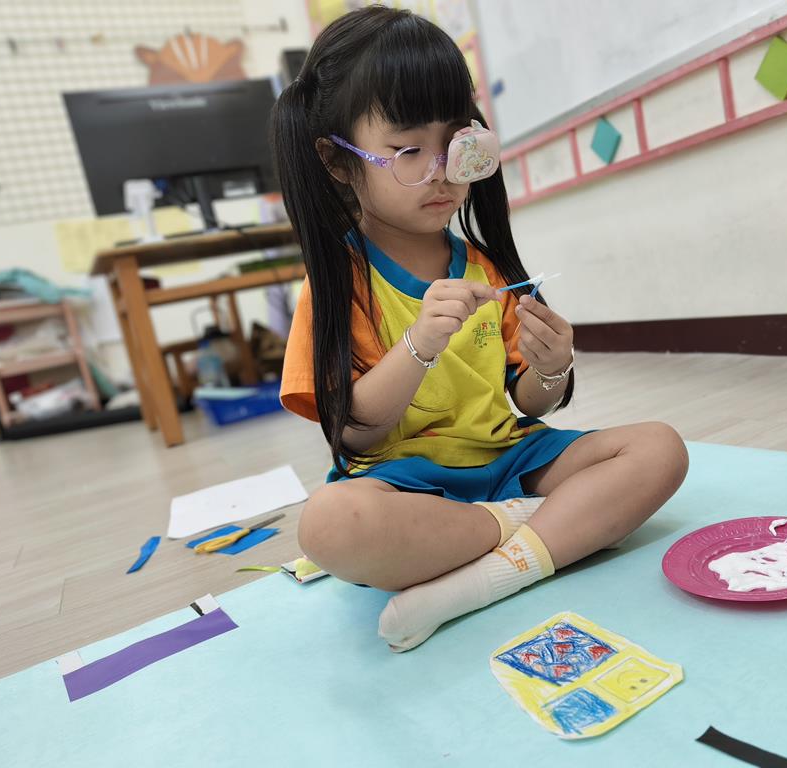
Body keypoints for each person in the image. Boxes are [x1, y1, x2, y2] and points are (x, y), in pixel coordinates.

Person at [273, 6, 688, 652]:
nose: (441, 169)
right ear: (338, 161)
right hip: (406, 482)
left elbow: (529, 403)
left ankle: (484, 575)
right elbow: (355, 430)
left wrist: (552, 367)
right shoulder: (337, 284)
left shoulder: (487, 269)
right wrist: (418, 346)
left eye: (456, 143)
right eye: (408, 151)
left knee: (660, 448)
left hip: (508, 460)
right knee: (330, 525)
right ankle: (544, 529)